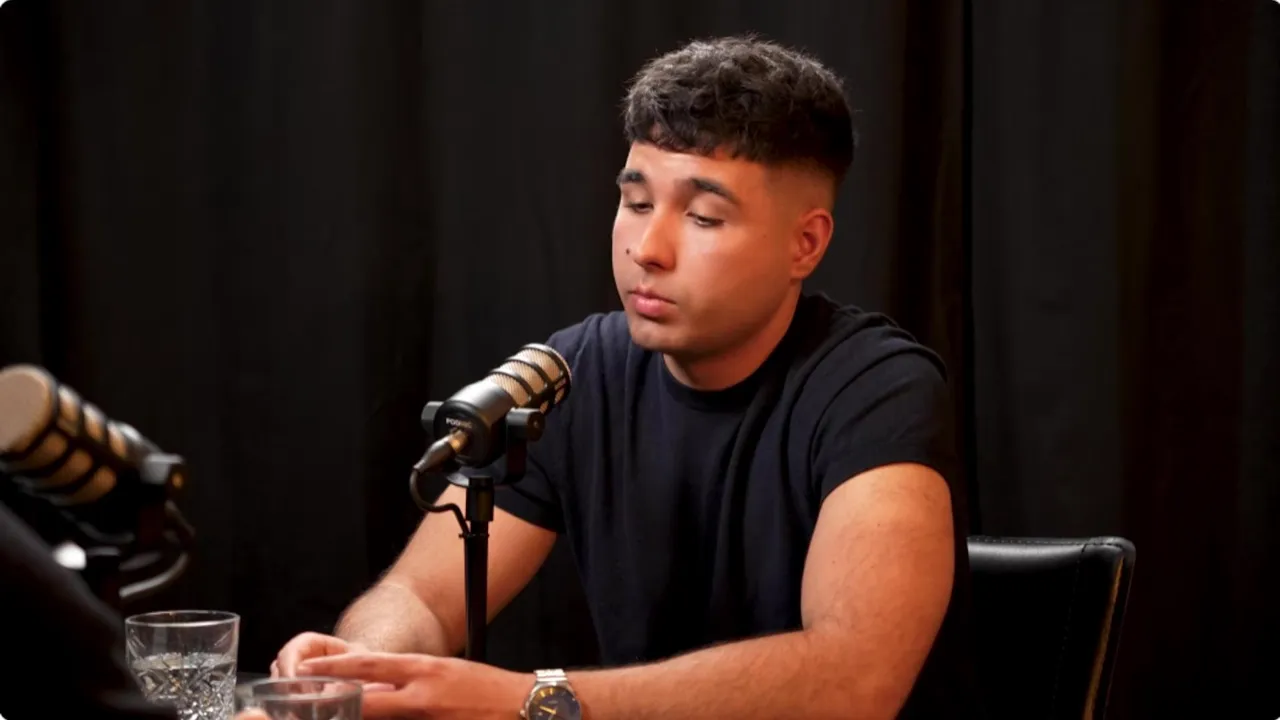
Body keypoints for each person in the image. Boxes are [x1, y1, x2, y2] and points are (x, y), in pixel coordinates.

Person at [274, 35, 981, 719]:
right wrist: (365, 670)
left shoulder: (878, 390)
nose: (648, 248)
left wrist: (528, 699)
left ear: (805, 243)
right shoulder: (573, 374)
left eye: (704, 217)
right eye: (637, 204)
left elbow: (852, 682)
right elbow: (422, 598)